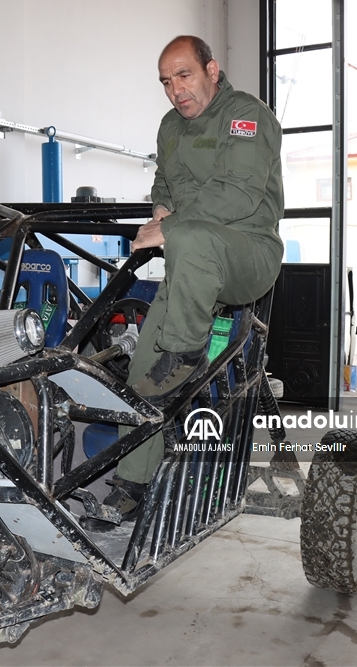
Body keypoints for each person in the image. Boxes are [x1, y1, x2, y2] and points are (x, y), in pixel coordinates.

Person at [97, 36, 284, 523]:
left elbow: (239, 194)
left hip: (249, 253)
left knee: (195, 238)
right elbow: (164, 181)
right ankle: (132, 484)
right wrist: (161, 208)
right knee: (141, 371)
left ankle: (185, 352)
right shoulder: (169, 128)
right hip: (192, 263)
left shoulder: (247, 115)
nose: (175, 89)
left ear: (211, 70)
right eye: (166, 81)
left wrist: (169, 227)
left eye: (184, 75)